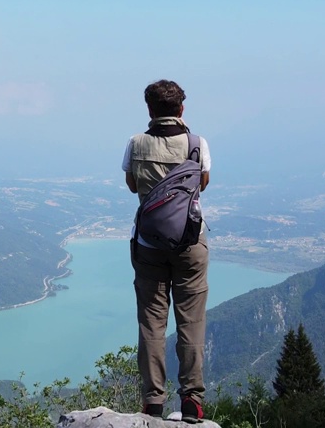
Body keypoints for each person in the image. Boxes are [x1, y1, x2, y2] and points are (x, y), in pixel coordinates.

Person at [121, 79, 211, 422]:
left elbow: (132, 186)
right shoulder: (196, 143)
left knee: (151, 322)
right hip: (190, 242)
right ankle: (192, 399)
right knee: (191, 320)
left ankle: (153, 400)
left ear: (149, 110)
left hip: (148, 244)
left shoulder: (135, 143)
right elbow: (201, 184)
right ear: (182, 109)